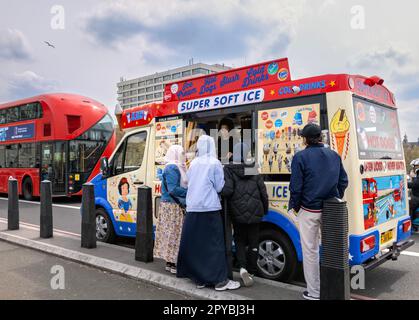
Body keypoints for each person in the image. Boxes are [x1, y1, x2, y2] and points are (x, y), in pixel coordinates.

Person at [288, 123, 348, 300]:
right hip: (331, 209)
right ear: (320, 137)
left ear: (305, 139)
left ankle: (314, 292)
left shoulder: (300, 157)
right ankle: (335, 290)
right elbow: (343, 181)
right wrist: (334, 197)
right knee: (334, 251)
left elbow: (296, 187)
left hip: (309, 210)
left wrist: (295, 206)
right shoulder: (334, 155)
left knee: (310, 251)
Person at [177, 135, 241, 291]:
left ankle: (201, 279)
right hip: (209, 208)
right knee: (215, 245)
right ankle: (220, 281)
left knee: (198, 245)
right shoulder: (214, 163)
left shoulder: (193, 163)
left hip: (193, 208)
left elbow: (188, 183)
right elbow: (219, 187)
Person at [222, 142, 269, 287]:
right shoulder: (254, 168)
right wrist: (264, 209)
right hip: (255, 210)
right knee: (254, 241)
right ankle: (252, 270)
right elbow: (263, 192)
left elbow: (228, 191)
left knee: (240, 240)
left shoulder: (228, 169)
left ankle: (242, 268)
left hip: (237, 212)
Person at [153, 145, 188, 274]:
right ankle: (173, 263)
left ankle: (170, 262)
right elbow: (173, 189)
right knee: (174, 234)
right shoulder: (172, 168)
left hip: (170, 205)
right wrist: (189, 192)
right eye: (181, 153)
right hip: (172, 206)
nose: (183, 156)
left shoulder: (176, 166)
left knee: (171, 234)